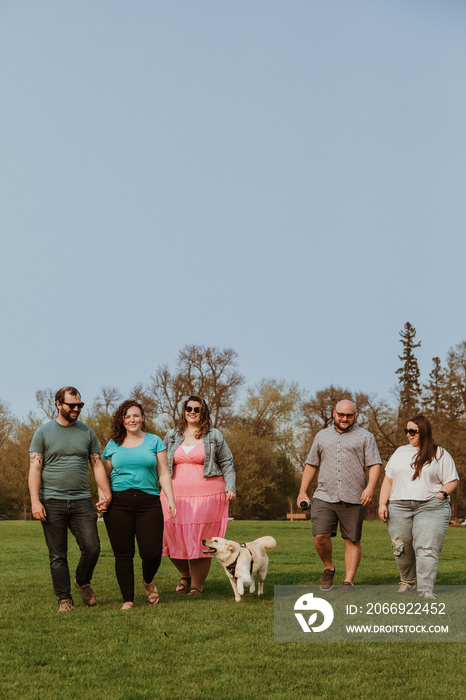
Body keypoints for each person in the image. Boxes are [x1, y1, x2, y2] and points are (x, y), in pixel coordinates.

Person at [28, 386, 112, 612]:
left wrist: (106, 493)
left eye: (80, 405)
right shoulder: (43, 432)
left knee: (93, 547)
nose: (76, 409)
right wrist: (35, 501)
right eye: (72, 405)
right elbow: (35, 468)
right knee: (57, 554)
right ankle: (64, 599)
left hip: (82, 501)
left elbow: (96, 464)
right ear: (58, 404)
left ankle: (82, 581)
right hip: (51, 501)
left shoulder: (87, 432)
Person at [297, 399, 381, 592]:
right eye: (341, 414)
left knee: (352, 540)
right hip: (324, 495)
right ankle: (329, 568)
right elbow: (311, 464)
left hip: (354, 496)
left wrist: (370, 488)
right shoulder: (321, 436)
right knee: (320, 536)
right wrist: (302, 490)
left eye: (349, 415)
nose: (345, 418)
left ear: (355, 416)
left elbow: (374, 464)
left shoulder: (365, 437)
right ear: (334, 413)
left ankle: (348, 582)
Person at [101, 400, 176, 611]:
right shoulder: (112, 444)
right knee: (123, 553)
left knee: (152, 552)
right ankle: (128, 599)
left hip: (149, 501)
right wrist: (103, 498)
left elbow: (163, 473)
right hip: (118, 503)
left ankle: (148, 579)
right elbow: (103, 475)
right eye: (127, 416)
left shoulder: (154, 441)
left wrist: (170, 499)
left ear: (142, 418)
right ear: (122, 420)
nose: (132, 420)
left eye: (135, 415)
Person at [161, 395, 236, 595]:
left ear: (203, 412)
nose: (192, 412)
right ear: (184, 411)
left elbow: (227, 462)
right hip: (173, 496)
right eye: (189, 408)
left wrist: (231, 486)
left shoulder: (214, 435)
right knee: (172, 536)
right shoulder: (171, 435)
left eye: (197, 409)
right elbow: (160, 464)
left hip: (208, 496)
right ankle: (184, 576)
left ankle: (197, 585)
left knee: (201, 537)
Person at [378, 415, 459, 599]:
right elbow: (388, 480)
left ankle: (425, 588)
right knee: (401, 546)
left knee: (426, 547)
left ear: (423, 431)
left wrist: (442, 494)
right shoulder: (399, 452)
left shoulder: (440, 453)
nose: (409, 434)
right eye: (406, 431)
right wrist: (382, 503)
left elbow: (452, 480)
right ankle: (407, 581)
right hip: (399, 506)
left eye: (413, 431)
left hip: (431, 506)